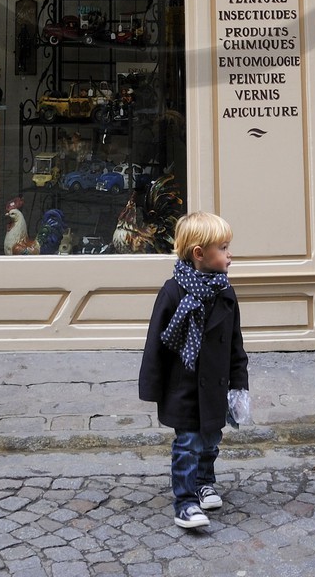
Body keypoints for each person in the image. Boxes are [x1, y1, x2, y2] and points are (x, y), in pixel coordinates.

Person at [138, 211, 248, 532]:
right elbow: (155, 344)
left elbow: (235, 346)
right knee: (187, 444)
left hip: (214, 386)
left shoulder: (225, 292)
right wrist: (152, 386)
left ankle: (204, 482)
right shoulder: (173, 292)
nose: (230, 255)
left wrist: (239, 386)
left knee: (211, 440)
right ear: (200, 254)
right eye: (224, 248)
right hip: (182, 388)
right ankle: (185, 502)